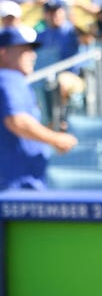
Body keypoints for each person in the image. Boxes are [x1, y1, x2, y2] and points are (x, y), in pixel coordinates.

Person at [0, 24, 77, 190]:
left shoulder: (12, 80)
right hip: (13, 185)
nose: (33, 55)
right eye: (24, 50)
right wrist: (54, 138)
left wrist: (48, 130)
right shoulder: (8, 78)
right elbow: (16, 121)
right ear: (3, 52)